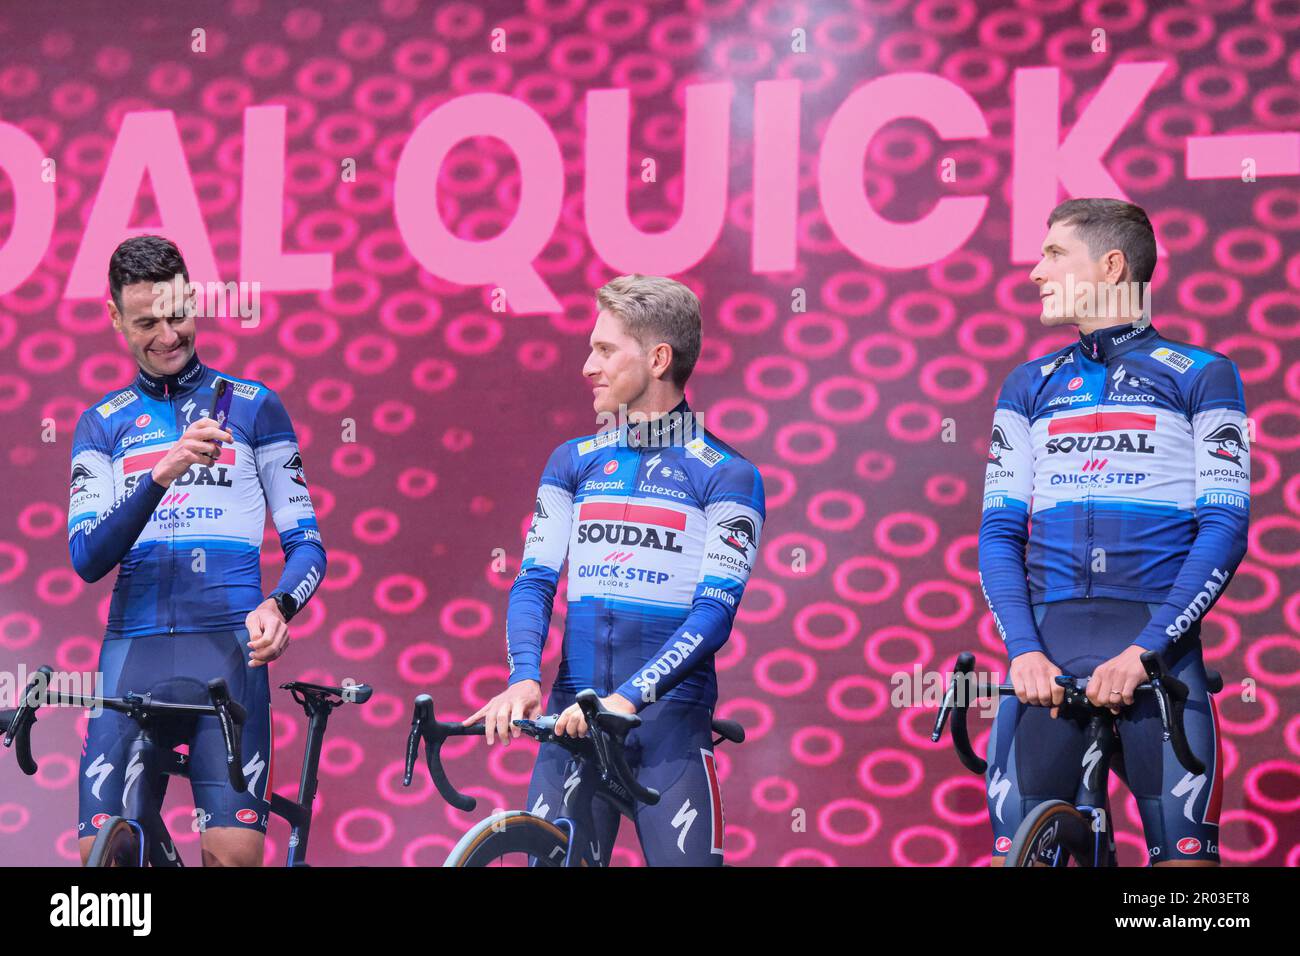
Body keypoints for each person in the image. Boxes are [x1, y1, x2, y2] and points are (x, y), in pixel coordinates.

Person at [978, 199, 1249, 866]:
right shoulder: (1028, 385)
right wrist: (1021, 650)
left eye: (1053, 255)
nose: (1035, 271)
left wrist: (1146, 649)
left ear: (1111, 266)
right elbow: (998, 532)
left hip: (1156, 662)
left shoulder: (1203, 376)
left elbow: (1225, 527)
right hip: (1045, 656)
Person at [466, 275, 765, 866]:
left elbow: (714, 615)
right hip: (571, 726)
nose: (586, 366)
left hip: (666, 733)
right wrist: (525, 675)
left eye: (604, 350)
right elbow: (534, 581)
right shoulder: (573, 461)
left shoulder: (728, 475)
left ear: (658, 359)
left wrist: (628, 699)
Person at [68, 236, 327, 866]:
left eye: (178, 314)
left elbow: (309, 547)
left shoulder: (255, 407)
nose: (166, 335)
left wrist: (279, 607)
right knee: (103, 859)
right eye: (146, 322)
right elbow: (86, 558)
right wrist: (161, 473)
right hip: (134, 655)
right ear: (114, 318)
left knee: (233, 857)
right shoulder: (103, 423)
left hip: (228, 660)